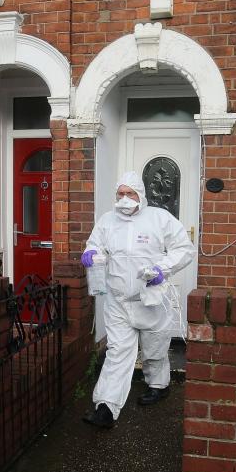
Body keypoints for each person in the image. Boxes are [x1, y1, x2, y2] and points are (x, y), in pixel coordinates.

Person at [80, 171, 196, 429]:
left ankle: (158, 385)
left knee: (154, 348)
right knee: (117, 352)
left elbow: (184, 249)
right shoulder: (107, 221)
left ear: (140, 194)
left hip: (151, 298)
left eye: (129, 193)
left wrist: (162, 269)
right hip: (118, 300)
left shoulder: (159, 218)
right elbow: (95, 244)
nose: (124, 199)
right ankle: (105, 407)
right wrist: (91, 253)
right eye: (120, 194)